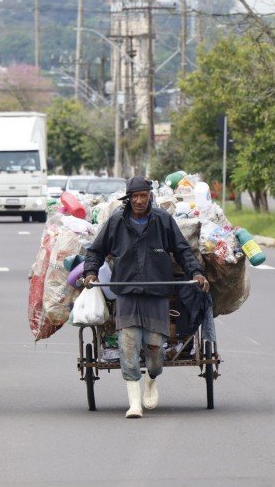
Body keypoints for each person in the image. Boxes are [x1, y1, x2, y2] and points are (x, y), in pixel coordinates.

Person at [83, 176, 209, 418]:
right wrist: (90, 272)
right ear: (128, 199)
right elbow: (95, 251)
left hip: (156, 293)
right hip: (127, 294)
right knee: (128, 346)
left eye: (144, 196)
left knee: (154, 350)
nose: (139, 200)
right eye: (135, 196)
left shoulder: (162, 220)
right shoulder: (116, 222)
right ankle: (134, 403)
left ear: (150, 196)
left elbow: (183, 249)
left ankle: (151, 379)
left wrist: (196, 271)